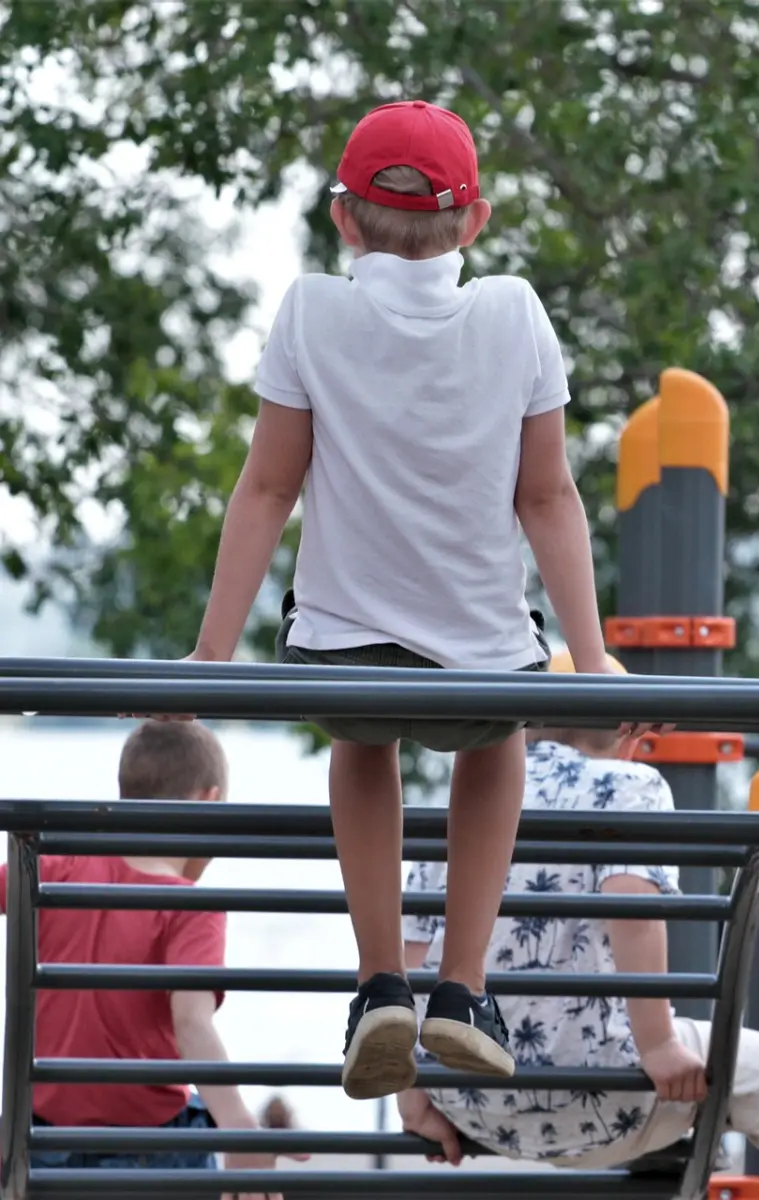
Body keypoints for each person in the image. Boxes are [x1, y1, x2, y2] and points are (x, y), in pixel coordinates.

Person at [180, 98, 638, 1104]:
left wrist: (208, 659)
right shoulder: (515, 311)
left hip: (339, 654)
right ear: (472, 224)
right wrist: (592, 657)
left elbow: (266, 489)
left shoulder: (310, 309)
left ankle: (379, 979)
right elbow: (547, 496)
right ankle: (461, 988)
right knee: (496, 743)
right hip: (484, 656)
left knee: (364, 742)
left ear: (344, 218)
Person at [396, 651, 759, 1200]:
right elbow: (633, 909)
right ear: (627, 728)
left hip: (473, 1103)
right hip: (608, 1093)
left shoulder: (459, 798)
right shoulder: (628, 785)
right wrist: (659, 1043)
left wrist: (414, 1089)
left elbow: (411, 961)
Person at [2, 721, 298, 1200]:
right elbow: (192, 1024)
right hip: (150, 1146)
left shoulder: (54, 870)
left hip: (47, 1141)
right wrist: (239, 1127)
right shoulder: (188, 905)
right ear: (209, 803)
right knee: (197, 1115)